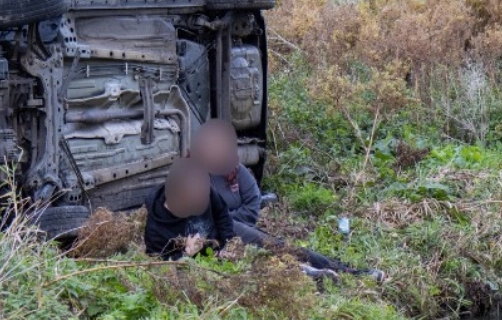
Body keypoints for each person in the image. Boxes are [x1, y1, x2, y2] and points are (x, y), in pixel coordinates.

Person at [189, 118, 385, 282]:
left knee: (279, 246)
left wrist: (231, 219)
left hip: (232, 227)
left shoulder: (234, 170)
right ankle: (310, 276)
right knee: (262, 255)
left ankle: (349, 272)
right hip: (214, 235)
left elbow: (252, 205)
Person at [144, 157, 236, 260]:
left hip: (221, 241)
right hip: (201, 263)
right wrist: (187, 254)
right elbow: (160, 265)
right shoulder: (156, 229)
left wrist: (229, 244)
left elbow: (222, 213)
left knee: (255, 239)